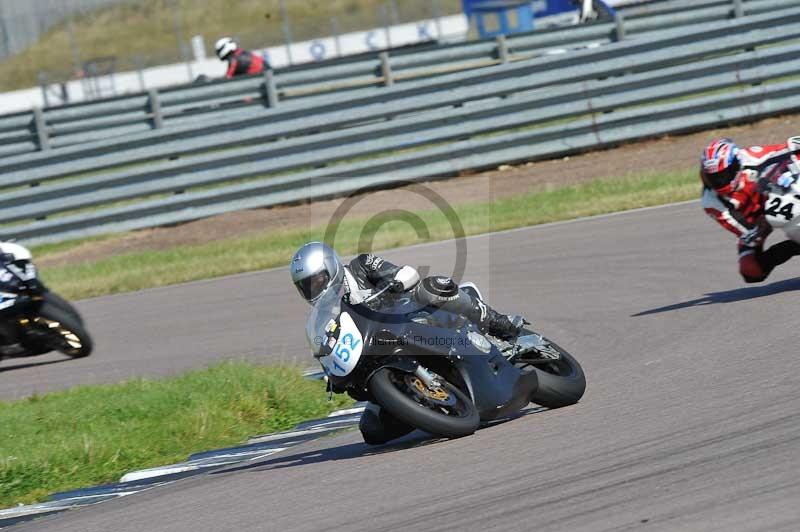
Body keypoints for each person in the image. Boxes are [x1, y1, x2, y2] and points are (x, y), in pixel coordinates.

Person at [290, 241, 524, 444]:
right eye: (306, 286)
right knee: (372, 430)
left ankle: (498, 323)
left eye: (318, 280)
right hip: (381, 358)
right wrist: (332, 374)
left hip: (411, 318)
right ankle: (429, 407)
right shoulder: (323, 317)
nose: (314, 289)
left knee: (431, 288)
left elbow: (406, 273)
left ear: (331, 267)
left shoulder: (362, 266)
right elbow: (327, 350)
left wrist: (397, 284)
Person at [700, 137, 800, 283]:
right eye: (712, 177)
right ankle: (793, 247)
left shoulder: (751, 158)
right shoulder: (712, 202)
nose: (718, 182)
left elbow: (786, 147)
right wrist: (762, 224)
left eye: (722, 175)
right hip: (756, 221)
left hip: (776, 193)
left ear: (736, 165)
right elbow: (746, 231)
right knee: (751, 270)